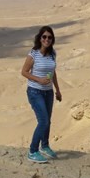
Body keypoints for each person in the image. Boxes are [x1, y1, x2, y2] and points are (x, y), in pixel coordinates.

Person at [21, 25, 62, 163]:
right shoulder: (33, 54)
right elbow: (24, 72)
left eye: (50, 37)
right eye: (44, 37)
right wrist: (39, 80)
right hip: (35, 91)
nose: (47, 39)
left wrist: (58, 90)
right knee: (43, 121)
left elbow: (53, 73)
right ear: (40, 38)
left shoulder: (52, 54)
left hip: (48, 92)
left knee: (47, 121)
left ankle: (44, 146)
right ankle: (32, 151)